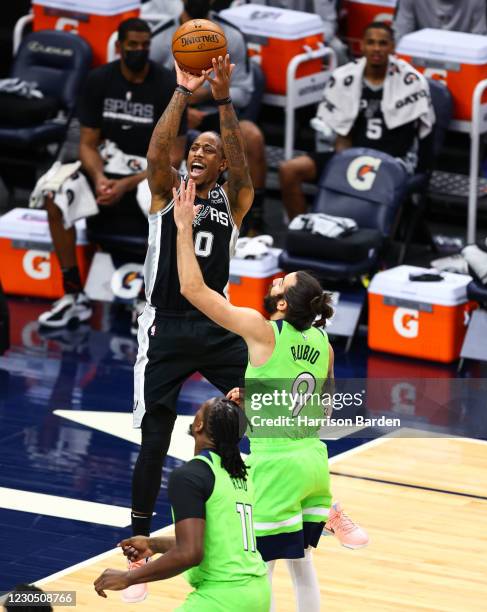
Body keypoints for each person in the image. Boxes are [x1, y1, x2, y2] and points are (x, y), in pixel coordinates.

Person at [173, 178, 368, 611]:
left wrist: (184, 228)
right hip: (314, 462)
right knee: (301, 565)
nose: (277, 279)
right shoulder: (324, 345)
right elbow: (322, 411)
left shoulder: (265, 333)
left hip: (275, 464)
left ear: (282, 305)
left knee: (257, 567)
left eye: (283, 282)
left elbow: (193, 290)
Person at [126, 54, 253, 602]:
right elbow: (158, 151)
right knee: (155, 438)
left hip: (216, 321)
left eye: (210, 150)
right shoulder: (164, 192)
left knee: (271, 402)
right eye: (194, 148)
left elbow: (243, 163)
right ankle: (135, 541)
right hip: (166, 327)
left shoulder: (233, 198)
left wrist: (223, 101)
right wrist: (183, 92)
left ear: (221, 165)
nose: (199, 153)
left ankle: (283, 504)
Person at [37, 18, 186, 328]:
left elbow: (175, 154)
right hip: (109, 165)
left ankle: (149, 298)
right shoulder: (98, 80)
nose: (139, 51)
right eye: (133, 46)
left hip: (151, 170)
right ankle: (73, 294)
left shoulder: (165, 85)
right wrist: (100, 179)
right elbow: (88, 144)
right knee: (54, 193)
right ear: (119, 47)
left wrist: (127, 184)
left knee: (159, 200)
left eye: (145, 46)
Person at [94, 397, 271, 611]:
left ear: (199, 425)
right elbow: (216, 545)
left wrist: (129, 577)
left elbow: (190, 554)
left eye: (201, 408)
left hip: (222, 598)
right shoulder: (240, 475)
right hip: (258, 593)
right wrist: (153, 545)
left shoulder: (190, 476)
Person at [279, 22, 434, 220]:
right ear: (362, 46)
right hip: (350, 157)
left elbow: (419, 137)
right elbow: (342, 137)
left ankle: (379, 244)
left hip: (391, 162)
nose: (376, 48)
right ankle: (300, 230)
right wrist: (345, 167)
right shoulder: (345, 78)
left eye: (383, 43)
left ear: (392, 47)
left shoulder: (411, 82)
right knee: (289, 170)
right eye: (371, 42)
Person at [150, 0, 267, 234]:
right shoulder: (161, 36)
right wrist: (183, 104)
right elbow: (150, 90)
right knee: (164, 154)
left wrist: (204, 94)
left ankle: (252, 222)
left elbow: (244, 92)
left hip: (215, 113)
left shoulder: (231, 34)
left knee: (253, 137)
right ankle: (166, 218)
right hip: (173, 113)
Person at [394, 0, 487, 44]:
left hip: (464, 59)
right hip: (420, 55)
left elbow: (481, 38)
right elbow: (401, 37)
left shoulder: (477, 1)